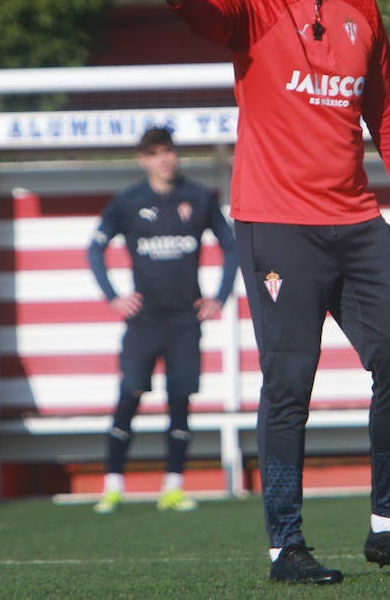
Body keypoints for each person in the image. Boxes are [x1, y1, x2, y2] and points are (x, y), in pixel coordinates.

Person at [134, 0, 390, 584]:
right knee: (290, 379)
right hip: (277, 224)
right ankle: (287, 545)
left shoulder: (363, 7)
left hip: (355, 221)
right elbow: (208, 16)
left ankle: (389, 525)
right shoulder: (251, 2)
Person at [86, 126, 239, 514]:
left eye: (169, 151)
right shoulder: (128, 201)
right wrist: (113, 296)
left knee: (180, 398)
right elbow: (95, 248)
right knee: (131, 392)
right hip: (145, 320)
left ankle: (173, 486)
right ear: (143, 160)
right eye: (155, 153)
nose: (164, 159)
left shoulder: (198, 197)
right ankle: (113, 484)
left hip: (184, 321)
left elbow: (232, 245)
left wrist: (218, 297)